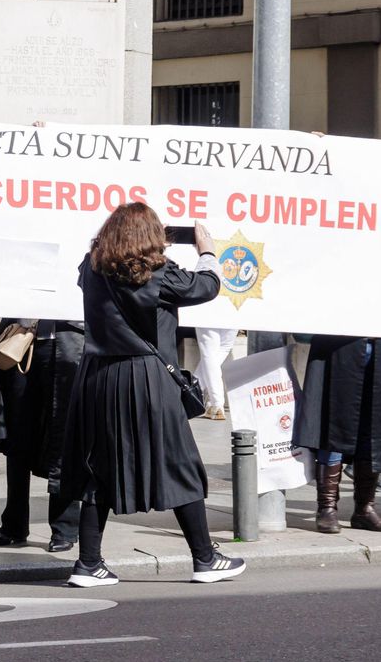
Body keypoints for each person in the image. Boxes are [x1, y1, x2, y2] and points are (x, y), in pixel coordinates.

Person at [61, 204, 245, 587]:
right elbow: (206, 287)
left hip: (98, 377)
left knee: (100, 467)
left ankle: (88, 564)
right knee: (179, 464)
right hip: (145, 378)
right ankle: (205, 559)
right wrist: (207, 250)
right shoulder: (157, 274)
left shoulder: (90, 268)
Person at [0, 319, 85, 553]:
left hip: (69, 346)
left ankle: (64, 528)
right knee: (18, 437)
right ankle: (13, 526)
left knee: (64, 439)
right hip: (22, 342)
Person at [296, 335, 381, 533]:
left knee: (373, 430)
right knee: (334, 426)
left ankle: (364, 509)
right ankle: (327, 508)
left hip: (380, 348)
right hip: (341, 347)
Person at [194, 326, 236, 420]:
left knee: (209, 350)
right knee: (224, 347)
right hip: (234, 311)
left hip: (208, 312)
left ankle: (216, 403)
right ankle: (211, 403)